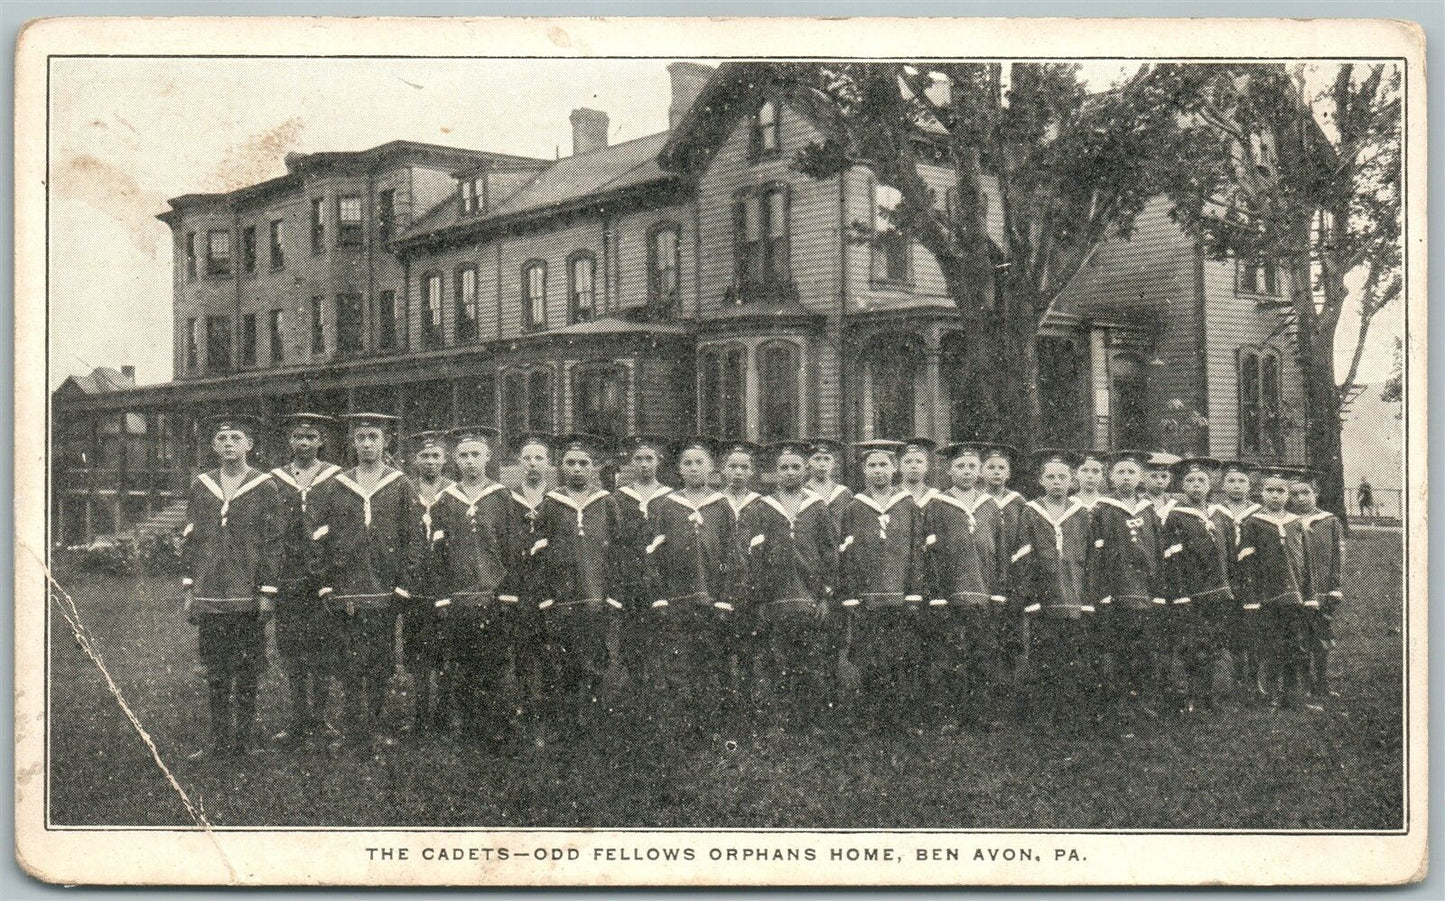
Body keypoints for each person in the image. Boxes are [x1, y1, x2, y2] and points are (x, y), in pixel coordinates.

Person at [308, 412, 419, 754]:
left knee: (380, 663)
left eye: (374, 437)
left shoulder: (400, 485)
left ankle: (370, 727)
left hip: (385, 592)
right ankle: (354, 730)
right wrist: (326, 584)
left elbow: (413, 539)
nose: (367, 444)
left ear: (386, 442)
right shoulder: (336, 485)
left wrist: (404, 585)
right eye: (361, 438)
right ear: (352, 443)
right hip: (347, 591)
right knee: (350, 664)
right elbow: (320, 537)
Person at [180, 414, 281, 760]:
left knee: (248, 669)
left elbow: (273, 541)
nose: (228, 444)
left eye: (236, 438)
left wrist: (268, 591)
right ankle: (220, 741)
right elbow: (191, 539)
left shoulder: (265, 485)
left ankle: (244, 740)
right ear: (213, 445)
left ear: (249, 445)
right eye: (222, 439)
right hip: (210, 594)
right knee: (217, 670)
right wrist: (190, 588)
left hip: (248, 594)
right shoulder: (202, 485)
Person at [732, 440, 839, 730]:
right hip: (774, 599)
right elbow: (752, 556)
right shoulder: (761, 508)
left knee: (810, 659)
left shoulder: (816, 507)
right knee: (775, 659)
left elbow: (830, 553)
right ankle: (781, 718)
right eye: (784, 468)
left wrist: (825, 596)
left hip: (809, 598)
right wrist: (760, 599)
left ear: (805, 470)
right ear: (775, 472)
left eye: (796, 467)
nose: (790, 472)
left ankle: (811, 719)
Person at [532, 433, 626, 735]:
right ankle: (569, 722)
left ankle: (595, 718)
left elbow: (618, 552)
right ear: (561, 467)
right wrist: (546, 595)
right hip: (563, 597)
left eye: (583, 463)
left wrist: (613, 595)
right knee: (565, 659)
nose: (576, 469)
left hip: (596, 595)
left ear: (594, 468)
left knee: (596, 658)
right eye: (570, 463)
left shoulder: (607, 503)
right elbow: (539, 552)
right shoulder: (551, 504)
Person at [642, 436, 735, 741]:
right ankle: (681, 727)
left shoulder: (721, 506)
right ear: (679, 469)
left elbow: (733, 554)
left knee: (709, 661)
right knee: (677, 663)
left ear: (711, 468)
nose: (694, 468)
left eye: (700, 463)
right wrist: (659, 597)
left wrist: (725, 598)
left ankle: (709, 726)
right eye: (687, 463)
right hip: (676, 597)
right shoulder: (667, 505)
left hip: (710, 597)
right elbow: (653, 552)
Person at [431, 426, 519, 744]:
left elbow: (512, 550)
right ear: (455, 460)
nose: (470, 462)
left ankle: (495, 727)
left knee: (494, 665)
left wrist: (507, 595)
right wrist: (443, 597)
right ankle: (468, 727)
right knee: (462, 665)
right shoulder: (446, 501)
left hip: (492, 596)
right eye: (464, 455)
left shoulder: (501, 497)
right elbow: (438, 552)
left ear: (487, 457)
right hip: (459, 598)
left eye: (476, 455)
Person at [837, 440, 926, 731]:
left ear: (894, 468)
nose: (878, 471)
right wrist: (851, 596)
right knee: (870, 657)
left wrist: (913, 593)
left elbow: (916, 551)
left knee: (901, 656)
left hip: (900, 595)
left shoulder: (908, 506)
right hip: (868, 596)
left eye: (883, 465)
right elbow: (847, 553)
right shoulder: (854, 507)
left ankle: (900, 718)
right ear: (863, 470)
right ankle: (871, 717)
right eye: (872, 465)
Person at [268, 412, 342, 748]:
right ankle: (298, 716)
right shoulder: (275, 479)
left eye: (311, 437)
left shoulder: (336, 478)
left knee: (323, 647)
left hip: (324, 574)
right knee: (293, 648)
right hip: (288, 575)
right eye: (298, 436)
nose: (305, 443)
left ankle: (321, 716)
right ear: (289, 441)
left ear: (321, 441)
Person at [924, 442, 1007, 727]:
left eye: (972, 466)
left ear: (980, 471)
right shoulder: (938, 504)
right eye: (960, 466)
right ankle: (953, 715)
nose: (967, 472)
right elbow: (932, 553)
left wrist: (998, 593)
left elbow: (1000, 552)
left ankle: (982, 714)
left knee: (983, 654)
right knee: (952, 655)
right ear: (949, 471)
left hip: (984, 592)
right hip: (953, 593)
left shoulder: (990, 506)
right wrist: (938, 595)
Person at [1011, 449, 1093, 730]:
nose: (1057, 481)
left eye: (1062, 477)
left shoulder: (1081, 513)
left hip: (1074, 597)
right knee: (1043, 657)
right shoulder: (1031, 512)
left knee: (1073, 658)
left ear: (1072, 481)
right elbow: (1023, 557)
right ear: (1041, 481)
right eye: (1050, 477)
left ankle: (1069, 715)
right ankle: (1042, 715)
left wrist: (1087, 598)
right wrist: (1030, 598)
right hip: (1044, 600)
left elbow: (1091, 558)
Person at [1087, 449, 1165, 725]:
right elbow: (1096, 556)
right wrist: (1102, 593)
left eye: (1131, 472)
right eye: (1120, 472)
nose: (1126, 477)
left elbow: (1157, 552)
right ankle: (1119, 703)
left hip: (1144, 592)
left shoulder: (1148, 511)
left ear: (1141, 477)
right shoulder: (1103, 512)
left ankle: (1141, 699)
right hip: (1116, 592)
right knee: (1118, 650)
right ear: (1110, 476)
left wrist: (1157, 590)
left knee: (1143, 650)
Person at [1235, 468, 1319, 712]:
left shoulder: (1296, 524)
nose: (1275, 495)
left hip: (1295, 596)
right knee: (1272, 647)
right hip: (1267, 597)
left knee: (1296, 647)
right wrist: (1251, 598)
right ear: (1261, 493)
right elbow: (1247, 563)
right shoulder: (1252, 523)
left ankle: (1294, 697)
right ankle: (1271, 695)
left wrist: (1310, 596)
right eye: (1269, 490)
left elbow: (1307, 562)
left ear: (1288, 495)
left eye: (1280, 491)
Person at [1160, 457, 1234, 713]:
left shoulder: (1220, 515)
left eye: (1201, 480)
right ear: (1181, 485)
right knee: (1194, 645)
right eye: (1190, 481)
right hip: (1193, 592)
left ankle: (1208, 696)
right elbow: (1173, 558)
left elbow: (1230, 555)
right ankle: (1193, 694)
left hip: (1220, 590)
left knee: (1214, 644)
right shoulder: (1176, 516)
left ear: (1210, 483)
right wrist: (1181, 593)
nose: (1196, 486)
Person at [402, 430, 454, 733]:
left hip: (447, 583)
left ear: (444, 460)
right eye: (424, 456)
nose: (430, 462)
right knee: (418, 654)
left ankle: (444, 714)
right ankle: (420, 715)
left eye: (436, 456)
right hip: (416, 585)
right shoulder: (406, 491)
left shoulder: (454, 491)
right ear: (414, 460)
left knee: (446, 652)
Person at [615, 434, 674, 687]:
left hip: (664, 579)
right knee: (632, 639)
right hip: (631, 578)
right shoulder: (619, 497)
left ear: (658, 461)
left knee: (663, 638)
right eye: (638, 459)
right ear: (631, 462)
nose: (643, 464)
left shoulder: (671, 497)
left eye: (649, 458)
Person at [507, 432, 554, 730]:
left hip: (551, 584)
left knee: (551, 647)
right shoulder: (508, 497)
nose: (533, 464)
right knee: (522, 648)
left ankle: (548, 707)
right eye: (527, 458)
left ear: (548, 463)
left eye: (539, 458)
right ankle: (524, 703)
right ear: (519, 462)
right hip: (521, 584)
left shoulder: (558, 498)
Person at [1210, 460, 1264, 703]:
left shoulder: (1260, 513)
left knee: (1253, 629)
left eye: (1241, 481)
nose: (1236, 485)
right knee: (1232, 631)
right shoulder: (1215, 512)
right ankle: (1237, 678)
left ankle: (1253, 680)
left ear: (1250, 484)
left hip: (1252, 578)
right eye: (1231, 480)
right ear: (1222, 484)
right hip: (1225, 576)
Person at [1290, 470, 1345, 700]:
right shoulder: (1287, 521)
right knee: (1298, 637)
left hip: (1322, 589)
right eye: (1295, 494)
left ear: (1316, 494)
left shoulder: (1329, 521)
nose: (1301, 498)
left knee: (1321, 637)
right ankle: (1304, 685)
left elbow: (1337, 556)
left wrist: (1335, 586)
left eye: (1306, 493)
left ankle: (1322, 682)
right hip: (1296, 589)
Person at [982, 444, 1028, 687]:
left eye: (1002, 468)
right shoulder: (977, 502)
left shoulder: (1018, 502)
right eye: (991, 467)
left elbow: (1024, 542)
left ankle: (1008, 687)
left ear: (1009, 473)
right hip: (984, 575)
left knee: (1010, 634)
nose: (996, 472)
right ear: (982, 471)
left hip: (1010, 576)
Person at [806, 438, 853, 522]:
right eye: (817, 459)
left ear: (833, 463)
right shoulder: (803, 493)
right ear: (808, 463)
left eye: (827, 459)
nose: (822, 464)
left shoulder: (844, 494)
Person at [1144, 451, 1181, 518]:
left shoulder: (1175, 504)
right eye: (1154, 476)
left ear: (1170, 479)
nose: (1160, 481)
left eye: (1164, 476)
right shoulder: (1139, 504)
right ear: (1144, 478)